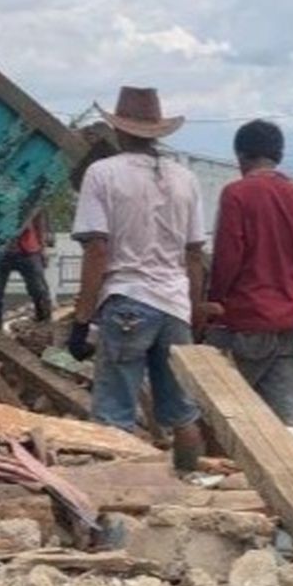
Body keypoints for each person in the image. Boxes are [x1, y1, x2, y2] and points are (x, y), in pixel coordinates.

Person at [67, 87, 205, 471]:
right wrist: (193, 310)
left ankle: (121, 497)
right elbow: (194, 254)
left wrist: (81, 320)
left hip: (127, 300)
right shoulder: (185, 179)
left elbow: (97, 251)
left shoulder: (103, 174)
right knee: (183, 413)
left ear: (118, 130)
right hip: (175, 304)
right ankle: (191, 488)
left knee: (114, 414)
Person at [206, 120, 293, 424]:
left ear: (241, 156)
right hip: (291, 319)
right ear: (279, 154)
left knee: (224, 409)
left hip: (246, 318)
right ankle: (291, 468)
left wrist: (215, 301)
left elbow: (228, 257)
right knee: (285, 414)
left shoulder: (237, 193)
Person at [0, 211, 53, 328]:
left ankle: (44, 324)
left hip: (28, 248)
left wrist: (42, 248)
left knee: (39, 290)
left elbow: (38, 218)